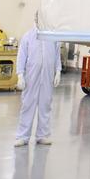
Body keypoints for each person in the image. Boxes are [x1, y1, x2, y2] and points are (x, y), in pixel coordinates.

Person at [14, 12, 61, 146]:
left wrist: (58, 71)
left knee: (45, 105)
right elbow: (21, 56)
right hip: (31, 76)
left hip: (47, 76)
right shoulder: (28, 36)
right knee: (27, 105)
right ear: (35, 19)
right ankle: (23, 136)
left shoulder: (52, 37)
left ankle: (42, 135)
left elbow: (57, 55)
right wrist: (20, 75)